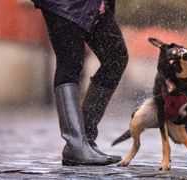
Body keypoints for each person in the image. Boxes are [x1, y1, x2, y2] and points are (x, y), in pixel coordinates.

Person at [31, 0, 128, 166]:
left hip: (95, 5)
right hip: (64, 5)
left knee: (116, 57)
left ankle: (86, 139)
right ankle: (75, 145)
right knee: (70, 61)